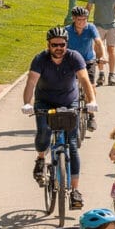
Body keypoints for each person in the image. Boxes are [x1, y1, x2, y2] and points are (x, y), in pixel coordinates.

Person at [20, 26, 98, 209]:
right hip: (44, 102)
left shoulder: (74, 57)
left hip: (68, 103)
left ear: (66, 44)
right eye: (54, 45)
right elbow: (31, 82)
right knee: (44, 134)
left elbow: (85, 81)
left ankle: (75, 190)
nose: (58, 48)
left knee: (72, 145)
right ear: (48, 45)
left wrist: (92, 100)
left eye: (62, 44)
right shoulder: (40, 59)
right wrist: (27, 103)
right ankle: (40, 159)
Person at [65, 6, 103, 127]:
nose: (82, 22)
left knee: (90, 87)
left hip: (88, 61)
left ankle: (91, 116)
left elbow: (98, 42)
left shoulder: (90, 28)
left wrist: (102, 56)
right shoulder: (67, 30)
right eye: (79, 19)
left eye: (84, 19)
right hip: (72, 62)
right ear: (74, 19)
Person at [86, 0, 115, 86]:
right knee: (99, 51)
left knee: (111, 49)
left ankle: (111, 74)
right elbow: (88, 8)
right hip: (98, 26)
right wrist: (84, 24)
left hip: (111, 25)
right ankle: (101, 73)